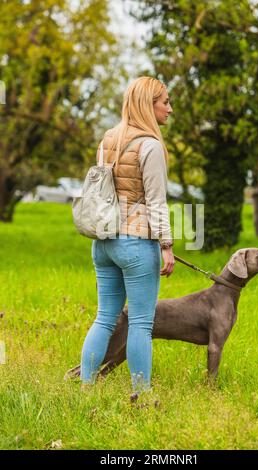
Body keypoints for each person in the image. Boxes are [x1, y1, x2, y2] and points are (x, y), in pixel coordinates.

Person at [80, 76, 175, 402]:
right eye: (165, 102)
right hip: (135, 244)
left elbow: (101, 192)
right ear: (149, 105)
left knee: (104, 318)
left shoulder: (108, 139)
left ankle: (85, 390)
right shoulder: (150, 146)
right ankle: (142, 396)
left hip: (103, 242)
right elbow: (156, 202)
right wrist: (166, 246)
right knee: (141, 324)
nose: (170, 109)